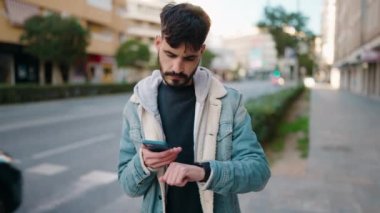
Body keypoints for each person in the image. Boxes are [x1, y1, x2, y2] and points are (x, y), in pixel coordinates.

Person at [118, 3, 270, 213]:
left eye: (189, 58)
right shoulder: (136, 105)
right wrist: (143, 163)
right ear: (158, 43)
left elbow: (259, 172)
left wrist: (204, 172)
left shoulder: (228, 102)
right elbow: (128, 186)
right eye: (170, 54)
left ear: (202, 51)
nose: (177, 68)